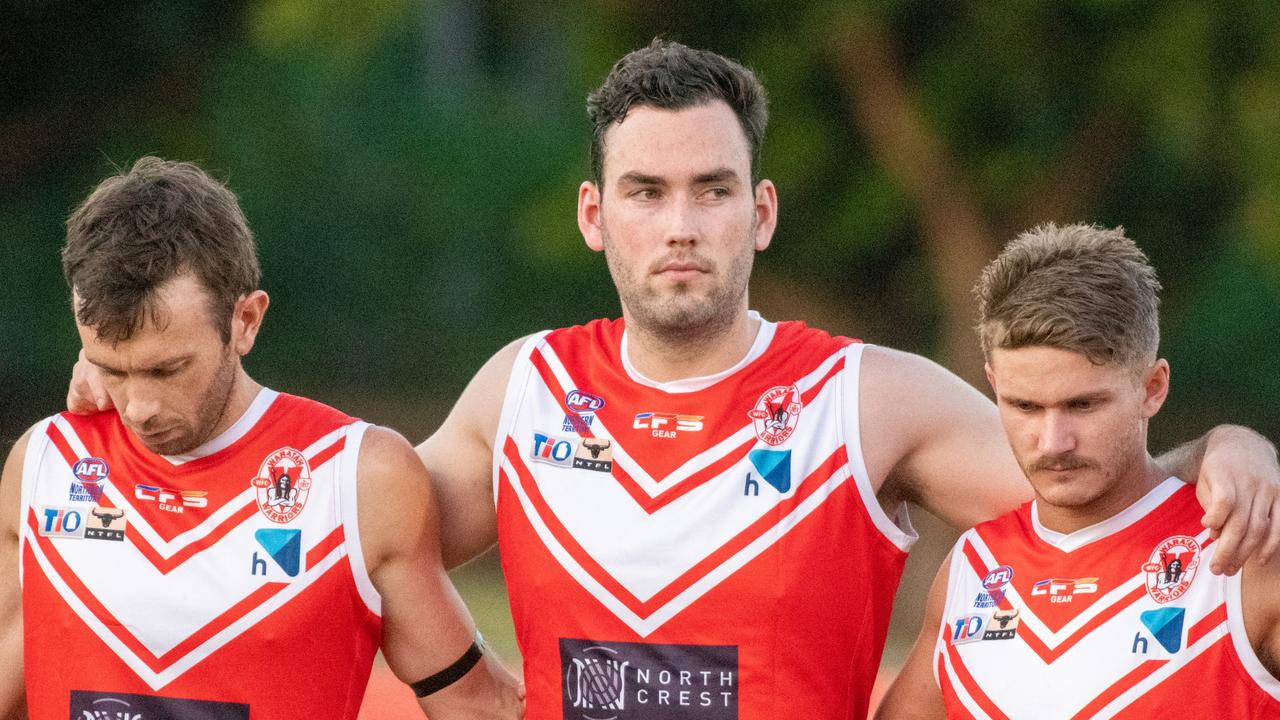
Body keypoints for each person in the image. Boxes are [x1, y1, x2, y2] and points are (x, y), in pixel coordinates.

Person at [65, 43, 1280, 720]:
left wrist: (1220, 451)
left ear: (759, 209)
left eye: (709, 189)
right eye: (646, 193)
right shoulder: (521, 392)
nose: (679, 224)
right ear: (596, 216)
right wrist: (138, 388)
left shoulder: (868, 398)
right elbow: (334, 518)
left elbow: (1075, 489)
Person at [0, 157, 524, 719]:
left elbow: (480, 706)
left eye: (167, 370)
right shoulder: (45, 465)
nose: (139, 407)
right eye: (112, 369)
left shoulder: (356, 477)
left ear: (245, 320)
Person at [874, 223, 1280, 718]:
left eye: (1083, 405)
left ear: (1153, 387)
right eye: (1023, 406)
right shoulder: (972, 569)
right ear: (993, 384)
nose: (1052, 442)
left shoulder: (1242, 551)